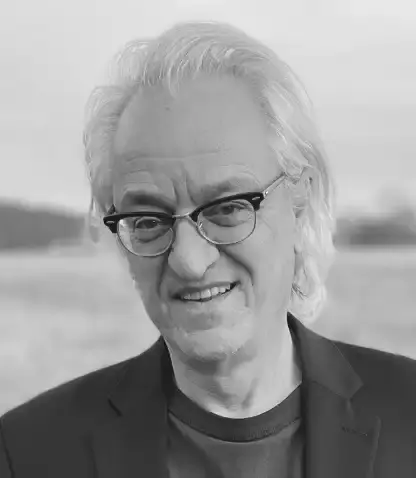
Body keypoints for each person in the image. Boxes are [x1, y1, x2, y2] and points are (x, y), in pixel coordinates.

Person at [1, 21, 415, 478]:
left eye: (227, 208)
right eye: (148, 220)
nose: (189, 261)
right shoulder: (27, 456)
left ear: (300, 202)